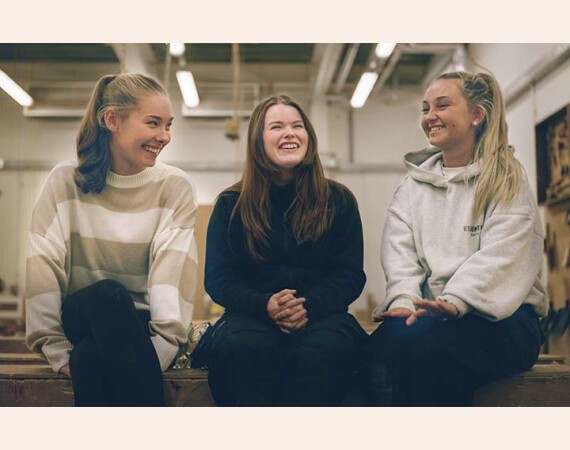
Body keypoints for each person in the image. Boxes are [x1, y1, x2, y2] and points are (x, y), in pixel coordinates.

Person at [367, 71, 547, 406]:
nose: (430, 116)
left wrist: (457, 301)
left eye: (442, 105)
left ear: (477, 115)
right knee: (373, 354)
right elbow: (399, 255)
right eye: (425, 108)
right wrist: (404, 301)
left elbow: (503, 256)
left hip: (505, 320)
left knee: (432, 356)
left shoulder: (506, 179)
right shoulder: (412, 188)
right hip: (428, 314)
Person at [25, 73, 198, 406]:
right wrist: (55, 347)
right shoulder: (65, 180)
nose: (164, 136)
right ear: (111, 120)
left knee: (89, 358)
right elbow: (43, 263)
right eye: (153, 123)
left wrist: (162, 347)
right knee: (108, 295)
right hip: (82, 315)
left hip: (138, 329)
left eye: (168, 125)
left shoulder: (174, 186)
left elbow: (172, 271)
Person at [204, 94, 367, 406]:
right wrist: (264, 305)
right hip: (250, 318)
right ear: (257, 141)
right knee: (241, 350)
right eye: (276, 126)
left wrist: (308, 307)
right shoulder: (231, 205)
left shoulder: (339, 200)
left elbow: (348, 276)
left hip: (322, 317)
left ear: (309, 136)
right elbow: (218, 279)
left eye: (297, 125)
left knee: (327, 351)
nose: (290, 133)